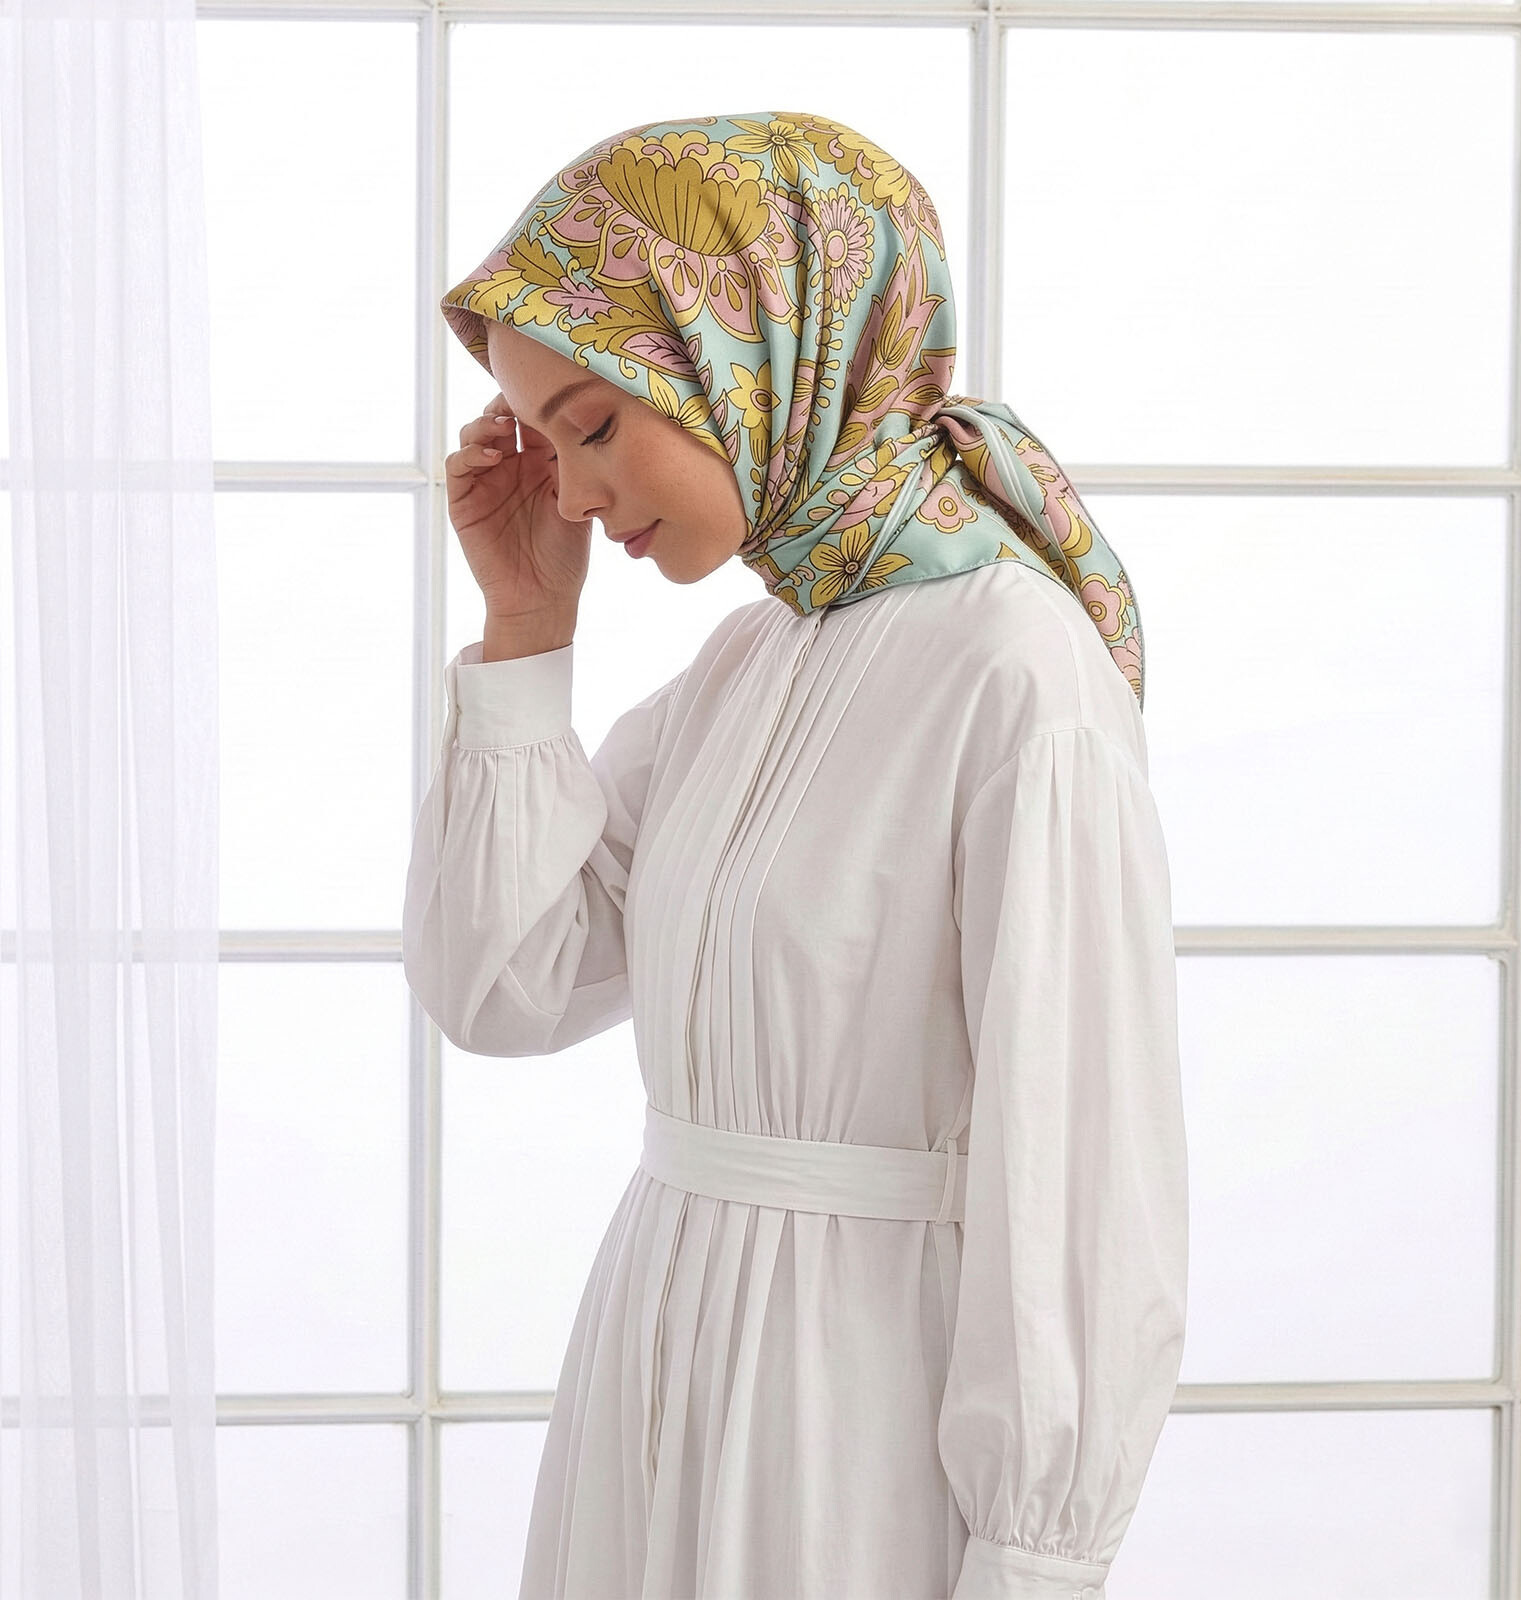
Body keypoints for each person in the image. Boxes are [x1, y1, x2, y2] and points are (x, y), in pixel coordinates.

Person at [403, 110, 1188, 1600]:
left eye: (593, 425)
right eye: (545, 442)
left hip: (855, 1410)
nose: (569, 494)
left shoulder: (1019, 675)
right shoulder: (744, 667)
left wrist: (1034, 1558)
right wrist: (525, 629)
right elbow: (504, 986)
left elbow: (1084, 1166)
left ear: (763, 356)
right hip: (656, 1363)